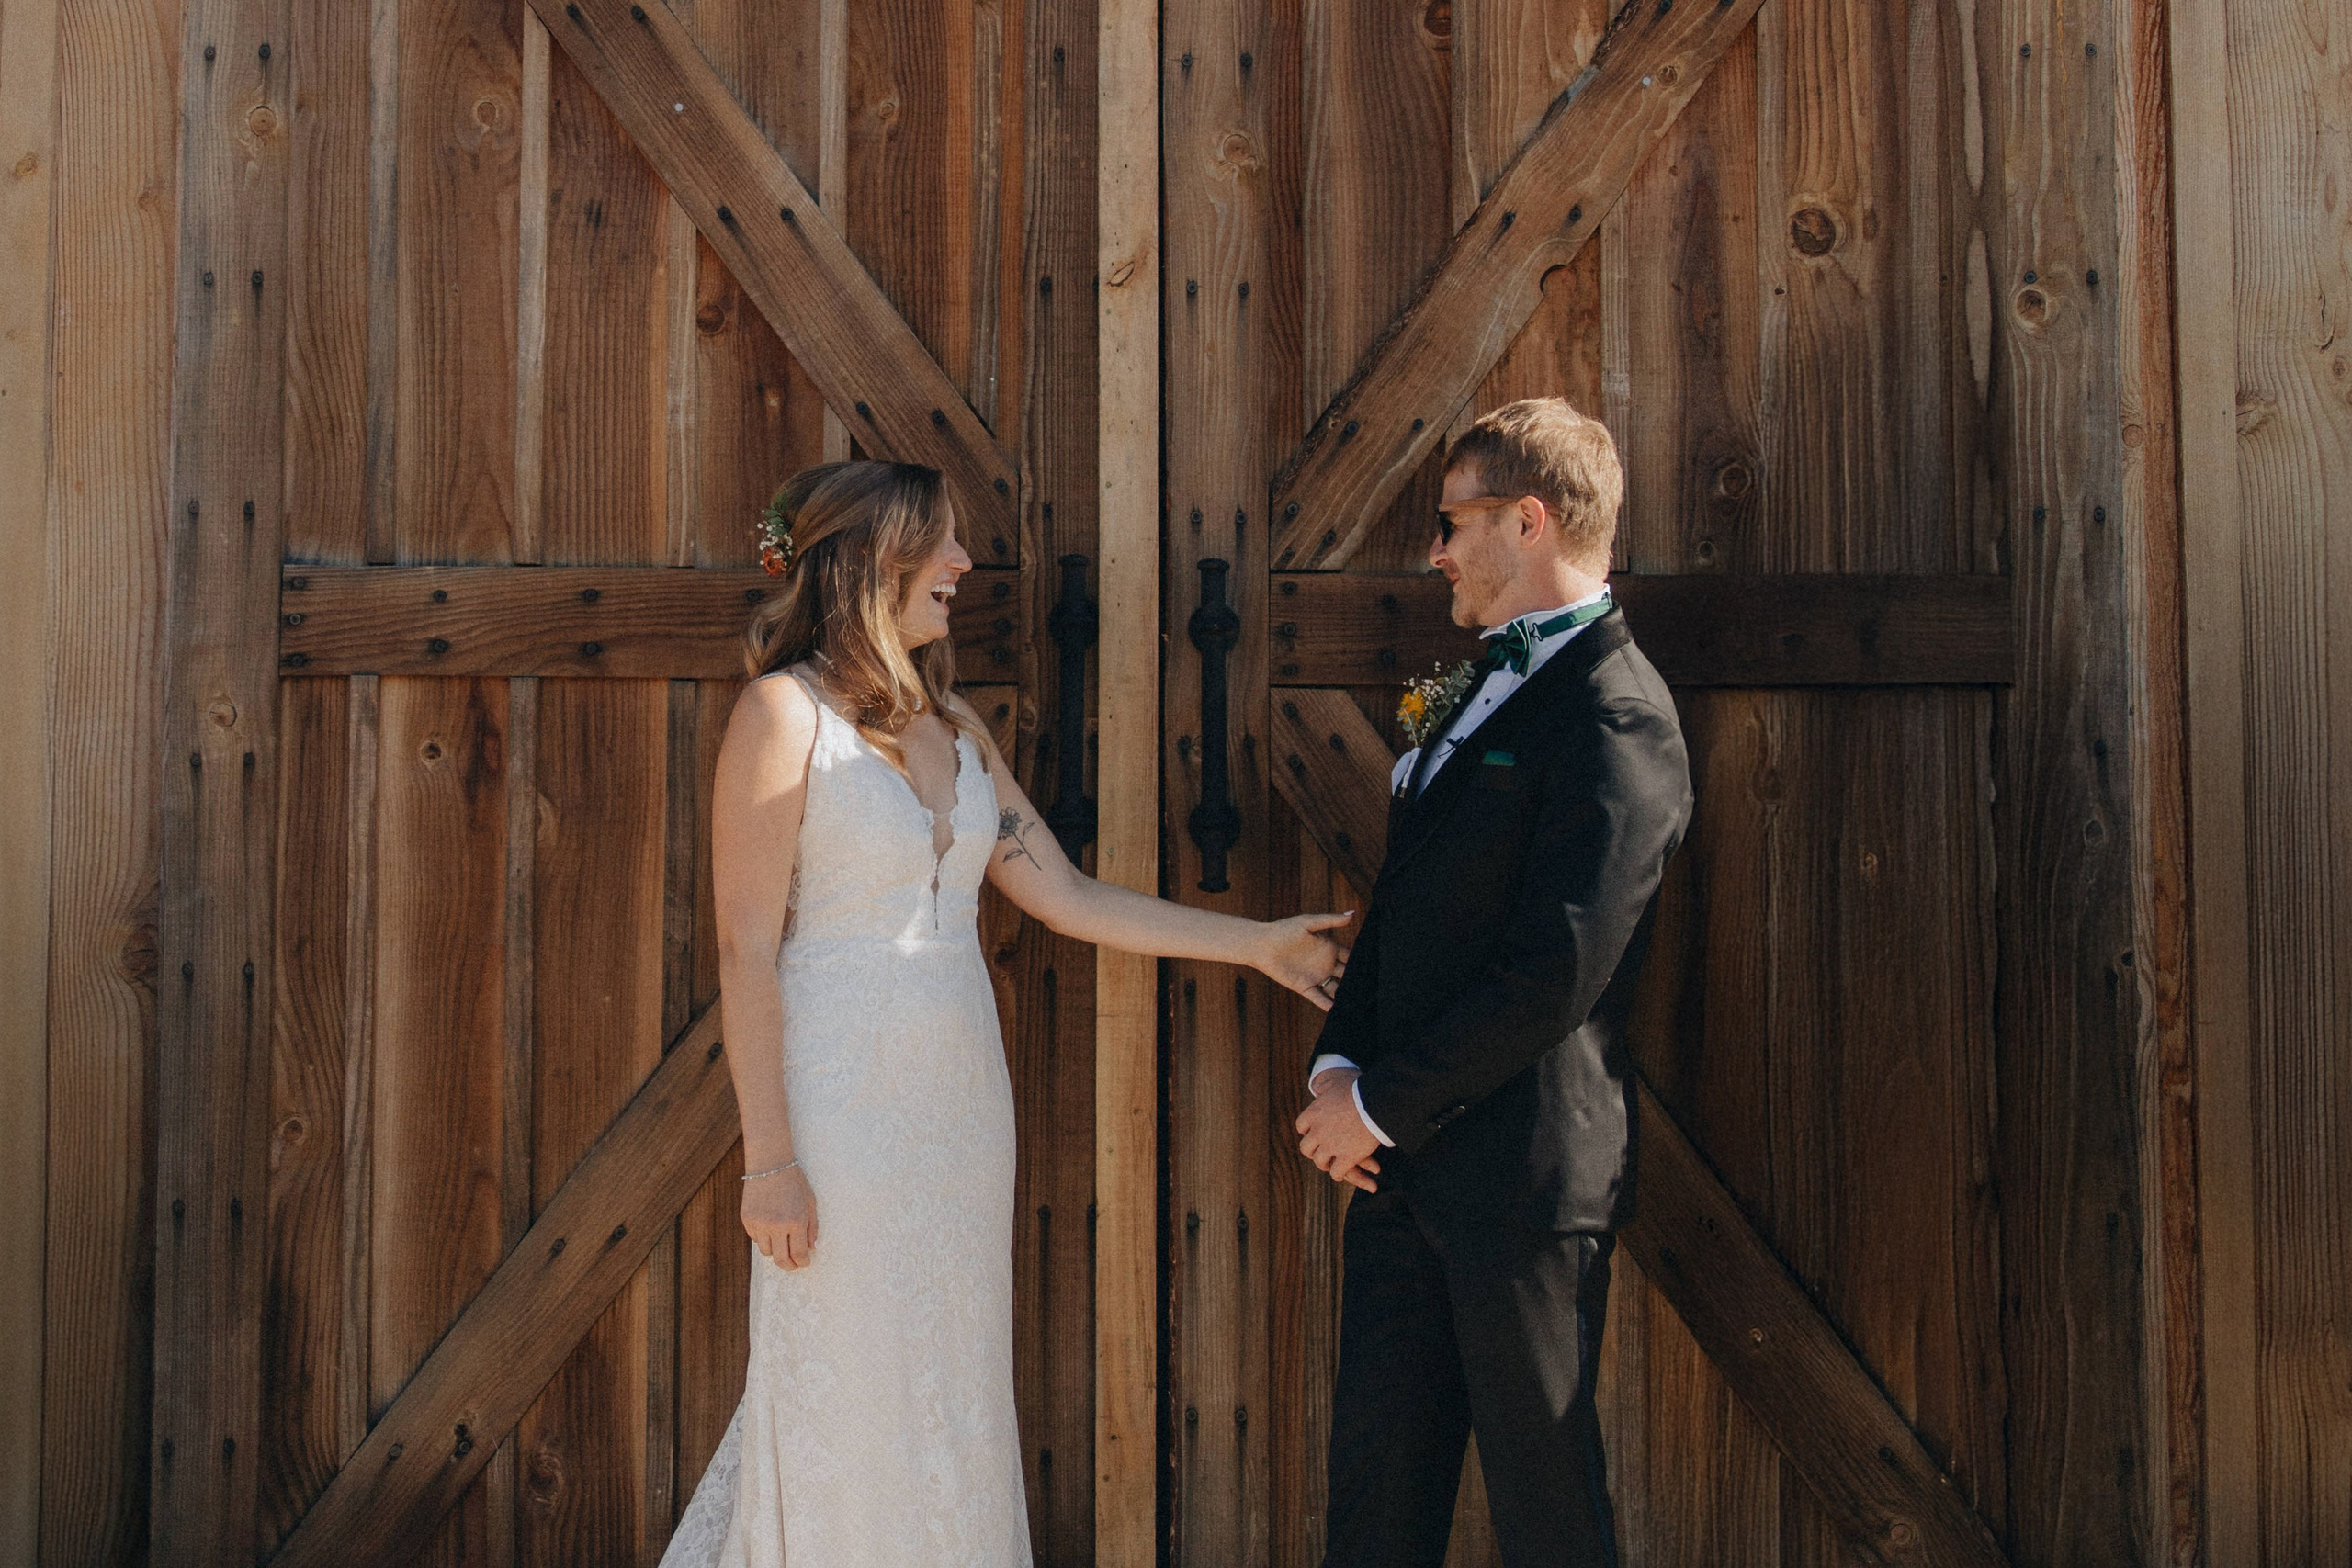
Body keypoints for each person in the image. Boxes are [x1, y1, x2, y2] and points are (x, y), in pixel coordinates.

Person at [662, 459, 1349, 1568]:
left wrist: (1257, 946)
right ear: (866, 561)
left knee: (952, 1378)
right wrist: (769, 1162)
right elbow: (745, 946)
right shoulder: (779, 716)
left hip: (959, 1110)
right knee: (850, 1372)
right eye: (938, 546)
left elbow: (1068, 897)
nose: (961, 568)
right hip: (837, 1117)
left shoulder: (960, 729)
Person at [1293, 397, 1692, 1568]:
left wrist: (1373, 1103)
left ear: (1527, 522)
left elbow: (1556, 971)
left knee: (1547, 1512)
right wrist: (1336, 1065)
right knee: (1374, 1508)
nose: (1435, 550)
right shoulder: (1474, 692)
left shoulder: (1618, 718)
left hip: (1517, 1184)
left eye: (1453, 522)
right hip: (1398, 1171)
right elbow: (1404, 904)